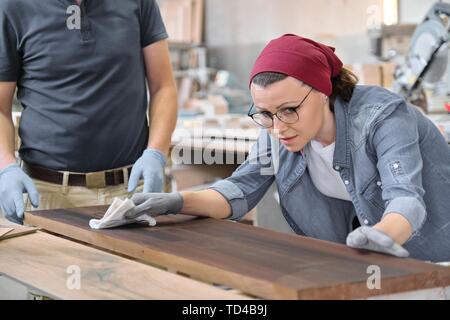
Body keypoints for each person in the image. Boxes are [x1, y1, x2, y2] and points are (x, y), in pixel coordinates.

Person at [134, 34, 449, 262]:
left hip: (435, 258)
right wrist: (175, 202)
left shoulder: (382, 117)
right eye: (266, 114)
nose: (278, 127)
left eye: (289, 110)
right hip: (369, 267)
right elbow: (241, 190)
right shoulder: (277, 131)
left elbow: (406, 199)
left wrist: (380, 236)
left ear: (323, 92)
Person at [0, 0, 178, 224]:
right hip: (45, 194)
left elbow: (163, 86)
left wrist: (156, 153)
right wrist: (5, 167)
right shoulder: (12, 6)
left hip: (130, 190)